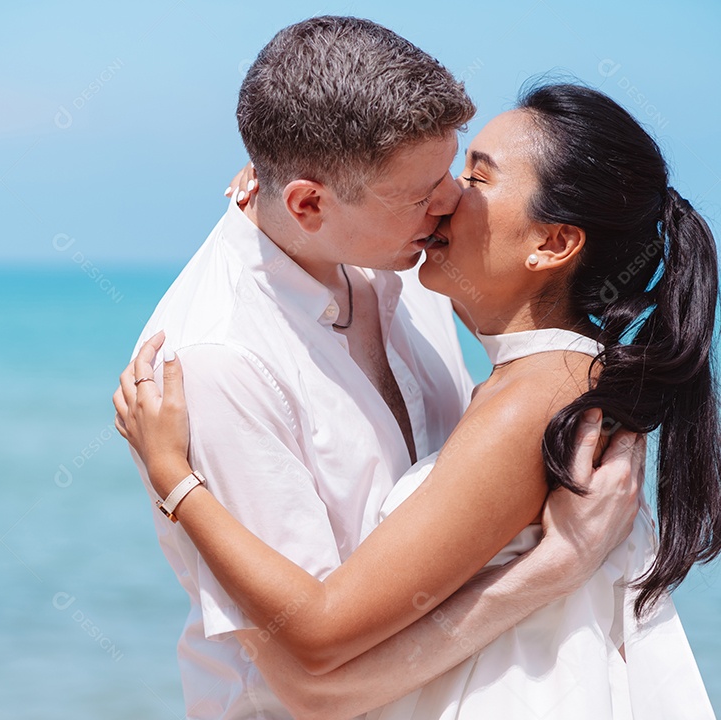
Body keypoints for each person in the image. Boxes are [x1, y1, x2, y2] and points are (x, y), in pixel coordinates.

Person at [115, 82, 720, 718]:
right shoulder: (554, 369)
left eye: (477, 178)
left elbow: (317, 636)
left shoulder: (534, 399)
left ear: (551, 245)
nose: (448, 196)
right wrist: (283, 201)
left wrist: (175, 481)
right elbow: (464, 286)